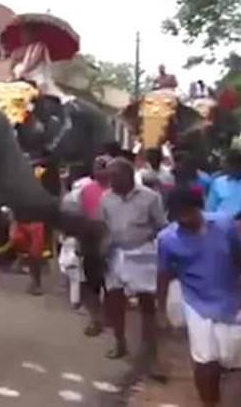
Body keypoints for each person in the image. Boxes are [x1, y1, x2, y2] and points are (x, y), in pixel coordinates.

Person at [158, 188, 241, 407]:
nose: (183, 220)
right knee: (205, 361)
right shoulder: (167, 239)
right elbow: (163, 275)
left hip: (233, 298)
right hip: (197, 302)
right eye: (177, 216)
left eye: (187, 214)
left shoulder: (225, 224)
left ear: (198, 208)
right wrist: (160, 308)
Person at [99, 158, 167, 377]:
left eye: (115, 176)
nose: (111, 181)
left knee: (147, 304)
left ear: (129, 175)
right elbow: (103, 226)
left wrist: (148, 243)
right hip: (116, 254)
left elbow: (161, 227)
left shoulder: (150, 197)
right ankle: (120, 342)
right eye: (109, 177)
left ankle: (151, 355)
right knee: (114, 300)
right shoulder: (106, 199)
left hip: (142, 254)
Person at [76, 155, 111, 337]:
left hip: (111, 239)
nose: (100, 171)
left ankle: (108, 316)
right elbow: (80, 215)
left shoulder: (117, 191)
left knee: (111, 282)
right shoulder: (86, 190)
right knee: (91, 282)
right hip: (90, 238)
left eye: (104, 167)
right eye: (97, 167)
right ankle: (95, 319)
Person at [10, 25, 68, 100]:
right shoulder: (22, 49)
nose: (23, 36)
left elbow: (31, 64)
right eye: (22, 33)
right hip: (25, 77)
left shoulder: (39, 46)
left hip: (38, 78)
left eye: (25, 33)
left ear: (32, 34)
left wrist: (20, 70)